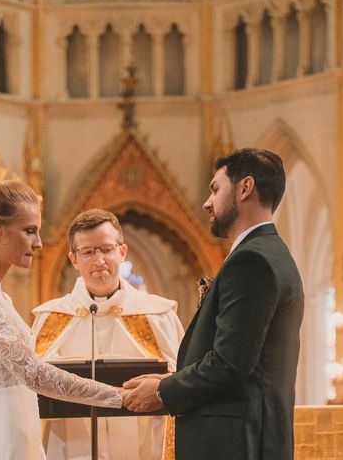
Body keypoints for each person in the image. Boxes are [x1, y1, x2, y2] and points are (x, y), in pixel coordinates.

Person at [122, 148, 304, 460]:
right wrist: (169, 380)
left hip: (236, 446)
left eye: (215, 189)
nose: (207, 202)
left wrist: (163, 392)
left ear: (245, 188)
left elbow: (229, 364)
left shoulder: (251, 260)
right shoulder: (271, 253)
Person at [0, 173, 122, 460]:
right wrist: (115, 396)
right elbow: (33, 373)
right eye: (29, 230)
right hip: (1, 435)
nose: (39, 243)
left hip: (12, 427)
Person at [31, 209, 184, 460]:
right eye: (88, 252)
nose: (99, 260)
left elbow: (183, 380)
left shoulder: (158, 314)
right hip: (70, 446)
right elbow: (29, 387)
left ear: (122, 252)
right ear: (74, 259)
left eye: (107, 249)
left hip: (142, 449)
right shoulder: (51, 318)